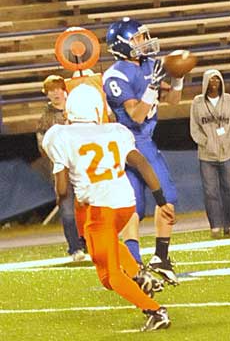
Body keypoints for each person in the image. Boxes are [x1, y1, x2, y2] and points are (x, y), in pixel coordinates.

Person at [42, 83, 175, 331]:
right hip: (125, 204)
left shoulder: (59, 135)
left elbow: (61, 190)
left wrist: (63, 198)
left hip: (99, 209)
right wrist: (161, 200)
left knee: (109, 275)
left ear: (70, 109)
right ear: (96, 108)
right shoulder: (115, 130)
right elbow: (143, 164)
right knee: (103, 255)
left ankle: (156, 311)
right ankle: (139, 274)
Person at [103, 17, 183, 285]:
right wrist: (151, 88)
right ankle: (146, 260)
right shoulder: (116, 75)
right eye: (137, 38)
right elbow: (136, 115)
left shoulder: (150, 64)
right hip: (131, 141)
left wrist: (179, 78)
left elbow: (172, 99)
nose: (144, 41)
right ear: (122, 44)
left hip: (145, 138)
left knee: (138, 203)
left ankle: (147, 261)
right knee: (157, 198)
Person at [36, 75, 86, 261]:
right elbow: (43, 147)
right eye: (51, 90)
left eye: (58, 88)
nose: (56, 93)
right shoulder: (45, 119)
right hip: (61, 167)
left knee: (90, 205)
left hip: (82, 164)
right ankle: (75, 247)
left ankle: (90, 241)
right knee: (66, 207)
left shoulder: (78, 110)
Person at [190, 69, 230, 238]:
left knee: (229, 189)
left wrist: (227, 142)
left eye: (217, 80)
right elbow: (194, 128)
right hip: (206, 156)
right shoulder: (197, 102)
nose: (215, 83)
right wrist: (205, 142)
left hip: (227, 153)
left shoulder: (229, 100)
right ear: (206, 83)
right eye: (211, 80)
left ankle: (229, 224)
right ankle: (215, 225)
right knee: (210, 192)